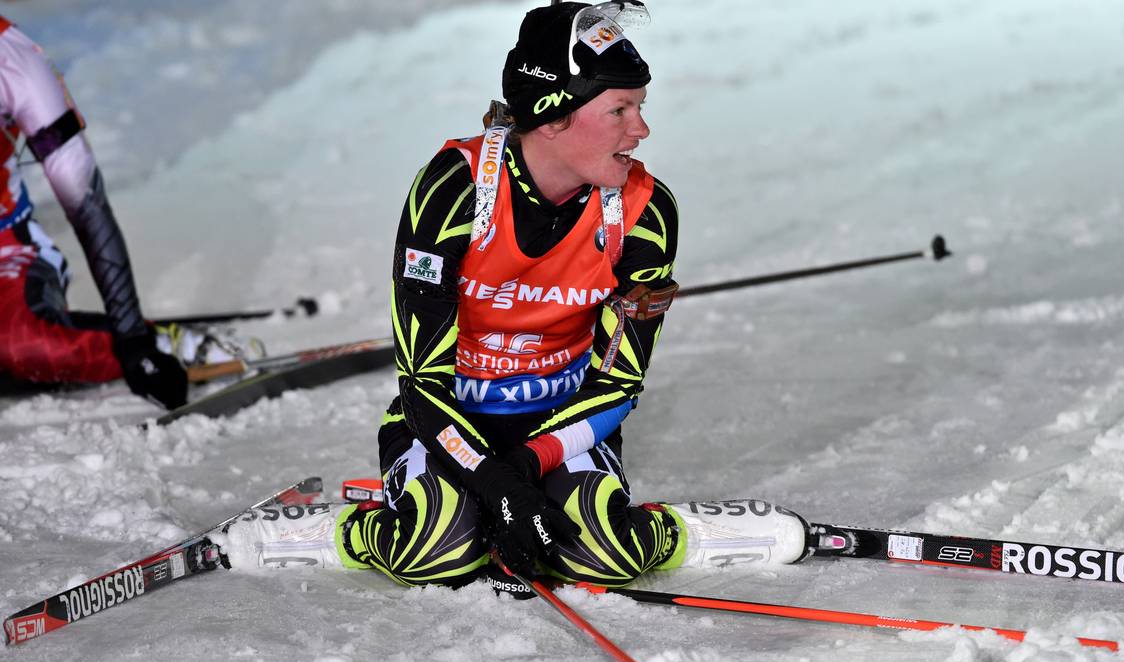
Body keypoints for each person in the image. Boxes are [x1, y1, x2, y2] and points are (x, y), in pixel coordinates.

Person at [217, 1, 821, 587]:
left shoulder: (644, 212)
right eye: (620, 110)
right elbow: (423, 386)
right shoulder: (454, 191)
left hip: (565, 425)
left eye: (640, 106)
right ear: (555, 115)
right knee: (441, 548)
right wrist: (497, 487)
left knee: (600, 556)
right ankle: (357, 533)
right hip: (447, 422)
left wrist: (526, 470)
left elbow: (617, 385)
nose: (641, 129)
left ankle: (666, 532)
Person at [0, 16, 189, 408]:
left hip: (7, 251)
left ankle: (175, 343)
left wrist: (132, 338)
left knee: (22, 347)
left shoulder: (14, 62)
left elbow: (85, 203)